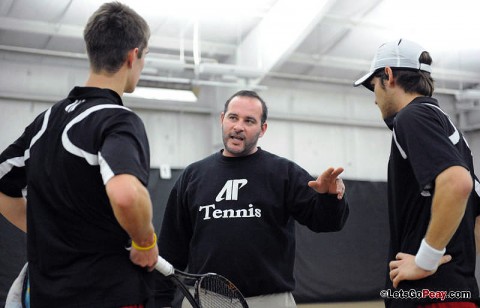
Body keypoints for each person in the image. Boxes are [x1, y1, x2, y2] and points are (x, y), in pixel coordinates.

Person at [0, 2, 159, 307]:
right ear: (133, 55)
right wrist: (145, 240)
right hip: (107, 294)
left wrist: (51, 234)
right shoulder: (117, 119)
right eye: (145, 57)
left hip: (46, 296)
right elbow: (126, 194)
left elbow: (3, 183)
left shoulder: (44, 122)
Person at [156, 90, 349, 308]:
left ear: (262, 129)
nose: (239, 126)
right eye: (233, 117)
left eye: (249, 121)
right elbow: (171, 248)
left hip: (270, 301)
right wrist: (160, 301)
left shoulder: (283, 173)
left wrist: (330, 198)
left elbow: (327, 222)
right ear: (222, 119)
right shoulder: (193, 177)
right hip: (204, 300)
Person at [354, 38, 480, 307]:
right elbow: (477, 219)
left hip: (427, 296)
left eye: (373, 85)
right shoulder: (449, 130)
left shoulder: (412, 117)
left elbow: (458, 183)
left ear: (387, 75)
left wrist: (426, 260)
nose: (374, 98)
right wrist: (457, 270)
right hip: (456, 293)